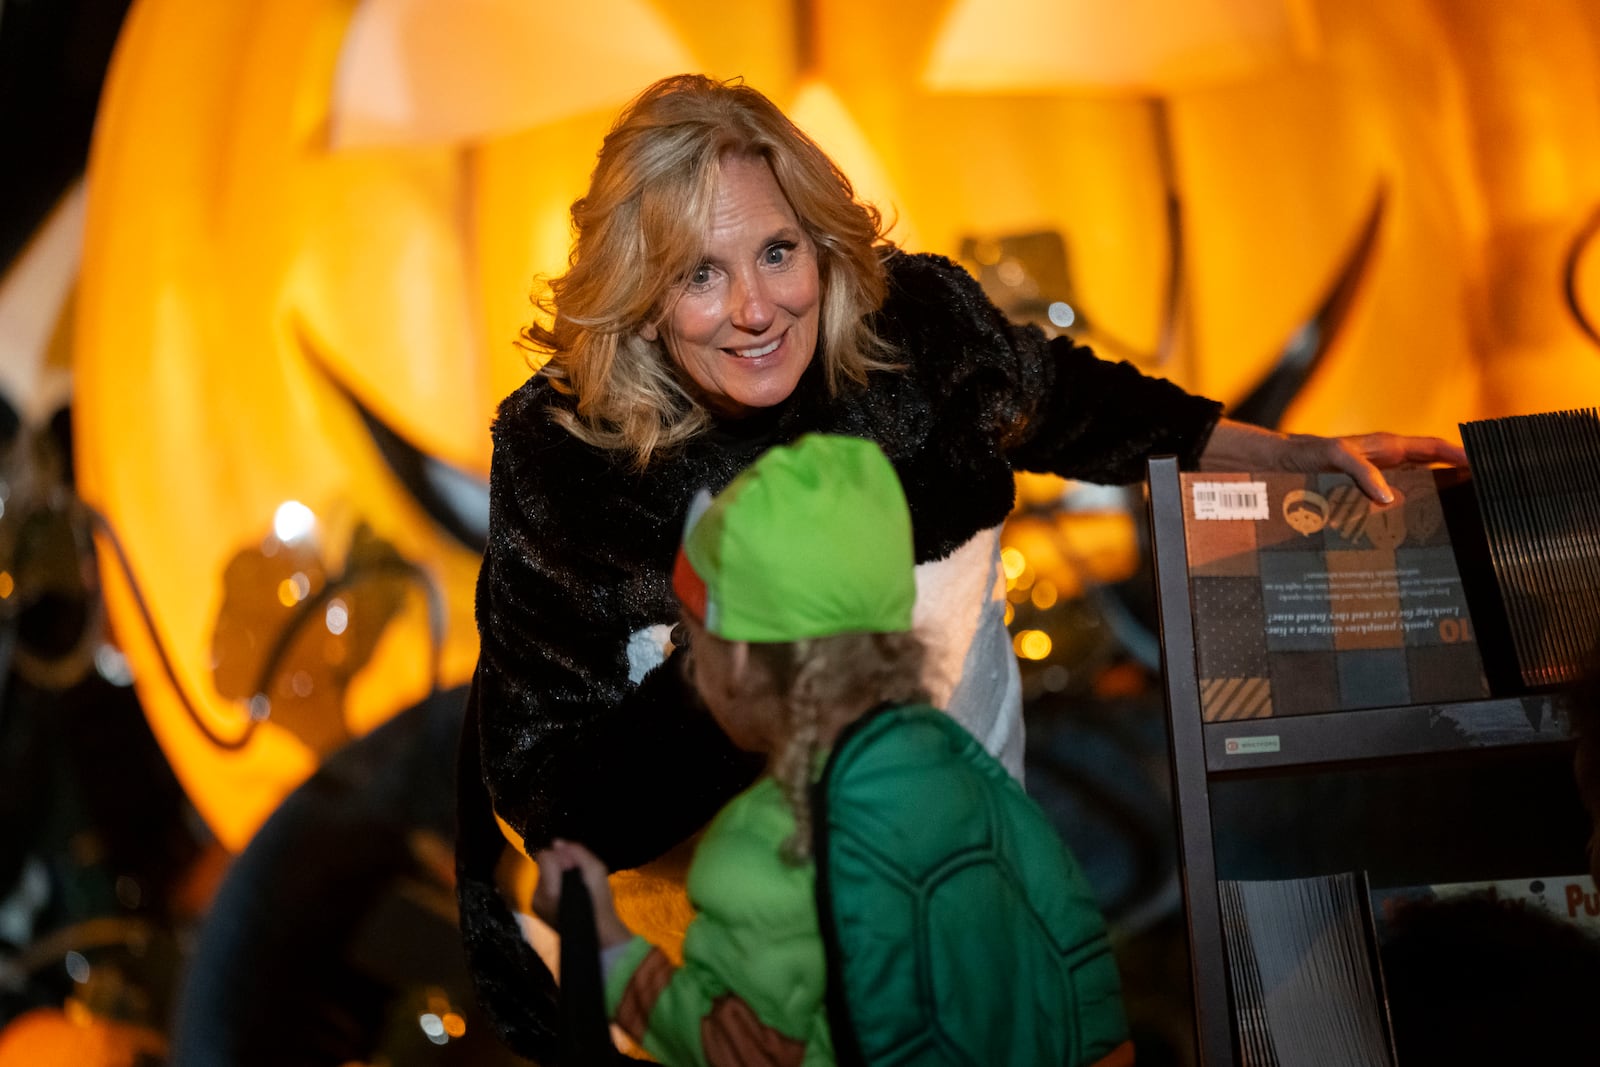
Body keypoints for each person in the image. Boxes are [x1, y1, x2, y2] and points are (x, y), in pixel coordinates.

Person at [455, 72, 1469, 1060]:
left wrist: (1272, 453)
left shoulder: (914, 329)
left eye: (776, 251)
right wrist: (744, 688)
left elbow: (1057, 397)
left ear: (819, 244)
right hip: (735, 979)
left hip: (964, 895)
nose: (757, 308)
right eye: (699, 273)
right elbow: (548, 795)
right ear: (639, 296)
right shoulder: (567, 457)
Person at [532, 433, 1134, 1066]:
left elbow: (741, 1051)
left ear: (737, 656)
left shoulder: (766, 845)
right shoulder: (964, 767)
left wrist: (602, 944)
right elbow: (1080, 984)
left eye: (691, 635)